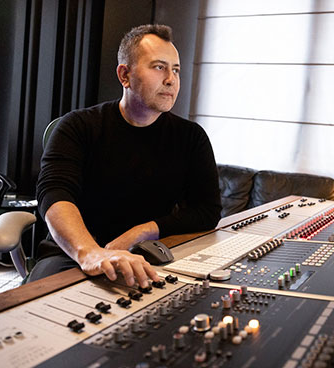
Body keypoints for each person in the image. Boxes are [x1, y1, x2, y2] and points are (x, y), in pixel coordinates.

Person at [31, 24, 222, 288]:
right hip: (74, 254)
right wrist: (90, 253)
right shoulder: (77, 126)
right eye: (158, 67)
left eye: (175, 69)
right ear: (125, 75)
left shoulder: (191, 137)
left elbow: (207, 210)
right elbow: (54, 194)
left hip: (148, 252)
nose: (171, 79)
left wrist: (139, 232)